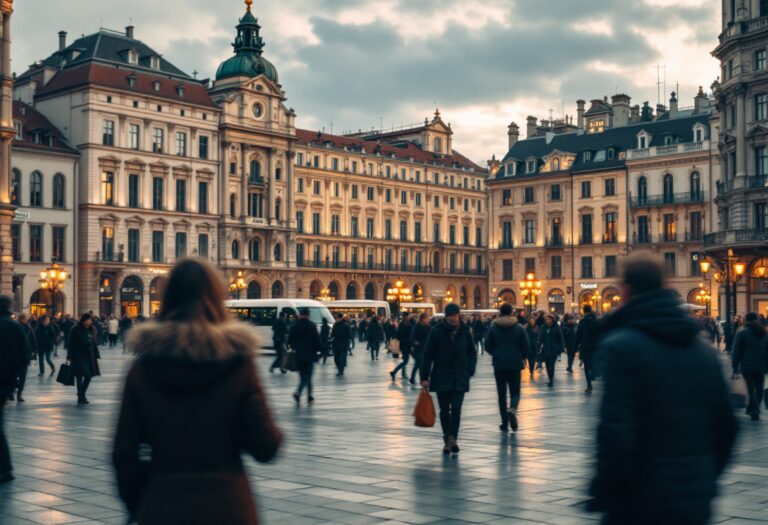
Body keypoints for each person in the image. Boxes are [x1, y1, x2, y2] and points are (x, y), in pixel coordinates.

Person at [113, 259, 282, 524]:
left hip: (163, 504)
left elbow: (123, 453)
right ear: (216, 297)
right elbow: (266, 446)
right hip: (228, 505)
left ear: (168, 298)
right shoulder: (238, 364)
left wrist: (142, 502)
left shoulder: (143, 368)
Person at [588, 256, 737, 525]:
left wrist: (605, 489)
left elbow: (616, 432)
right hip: (696, 499)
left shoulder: (622, 347)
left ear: (627, 289)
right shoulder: (703, 349)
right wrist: (705, 475)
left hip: (640, 499)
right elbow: (726, 426)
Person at [420, 303, 477, 455]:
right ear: (446, 316)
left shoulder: (465, 331)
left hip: (460, 376)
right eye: (451, 315)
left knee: (456, 409)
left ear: (459, 315)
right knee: (444, 410)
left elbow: (472, 353)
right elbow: (427, 355)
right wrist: (424, 377)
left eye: (456, 315)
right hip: (441, 375)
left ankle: (453, 438)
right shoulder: (436, 331)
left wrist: (470, 370)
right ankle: (447, 438)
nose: (454, 318)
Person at [484, 303, 530, 432]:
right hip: (515, 364)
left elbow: (487, 345)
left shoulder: (494, 328)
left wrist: (496, 354)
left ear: (500, 312)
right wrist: (523, 357)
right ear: (511, 312)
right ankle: (513, 408)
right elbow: (526, 345)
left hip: (499, 364)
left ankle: (504, 423)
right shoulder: (519, 328)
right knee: (515, 391)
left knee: (501, 394)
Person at [0, 296, 27, 483]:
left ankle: (6, 468)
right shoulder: (15, 326)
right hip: (5, 384)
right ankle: (6, 468)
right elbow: (25, 355)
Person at [733, 311, 768, 420]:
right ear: (757, 320)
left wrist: (735, 367)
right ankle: (755, 407)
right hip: (762, 365)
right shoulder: (764, 332)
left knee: (750, 388)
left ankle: (753, 407)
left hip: (747, 365)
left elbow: (737, 351)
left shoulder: (742, 333)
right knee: (759, 388)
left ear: (746, 320)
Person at [287, 307, 322, 405]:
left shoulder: (294, 326)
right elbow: (317, 340)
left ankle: (309, 396)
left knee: (304, 376)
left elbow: (289, 340)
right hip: (310, 355)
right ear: (308, 315)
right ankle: (299, 393)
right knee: (308, 377)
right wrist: (320, 351)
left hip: (297, 355)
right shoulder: (312, 325)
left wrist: (292, 347)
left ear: (300, 314)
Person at [66, 313, 101, 405]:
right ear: (84, 320)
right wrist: (69, 356)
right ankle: (81, 396)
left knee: (87, 376)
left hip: (89, 356)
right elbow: (70, 344)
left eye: (91, 320)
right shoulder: (76, 330)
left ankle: (81, 394)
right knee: (80, 375)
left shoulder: (92, 329)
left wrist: (96, 354)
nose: (91, 321)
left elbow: (94, 343)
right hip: (78, 356)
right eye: (89, 319)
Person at [575, 305, 601, 394]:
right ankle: (593, 374)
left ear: (584, 312)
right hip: (595, 347)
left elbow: (578, 336)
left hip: (585, 347)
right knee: (593, 363)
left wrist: (575, 348)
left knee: (586, 366)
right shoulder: (597, 321)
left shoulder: (582, 322)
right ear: (591, 311)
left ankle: (589, 385)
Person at [13, 314, 35, 403]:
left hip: (25, 356)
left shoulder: (29, 328)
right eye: (25, 318)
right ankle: (16, 391)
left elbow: (33, 340)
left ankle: (19, 394)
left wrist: (32, 352)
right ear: (22, 319)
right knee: (16, 375)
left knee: (22, 376)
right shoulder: (15, 328)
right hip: (16, 356)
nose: (27, 320)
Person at [538, 313, 564, 388]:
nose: (546, 321)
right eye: (546, 319)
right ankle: (550, 379)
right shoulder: (543, 327)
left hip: (554, 349)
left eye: (548, 319)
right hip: (546, 349)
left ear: (552, 319)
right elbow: (540, 337)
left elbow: (560, 338)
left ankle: (551, 380)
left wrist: (561, 348)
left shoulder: (556, 327)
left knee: (551, 365)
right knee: (547, 365)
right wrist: (538, 344)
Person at [408, 313, 431, 385]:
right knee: (421, 364)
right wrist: (415, 343)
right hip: (418, 349)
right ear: (422, 319)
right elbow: (412, 338)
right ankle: (424, 380)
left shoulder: (429, 327)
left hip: (426, 348)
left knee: (419, 364)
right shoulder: (417, 327)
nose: (428, 320)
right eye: (427, 318)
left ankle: (412, 379)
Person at [390, 313, 413, 381]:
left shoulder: (408, 323)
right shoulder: (402, 325)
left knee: (406, 360)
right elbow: (399, 336)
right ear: (404, 317)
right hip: (405, 345)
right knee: (406, 361)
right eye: (407, 316)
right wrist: (407, 340)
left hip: (408, 345)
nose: (408, 317)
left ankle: (401, 373)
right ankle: (394, 372)